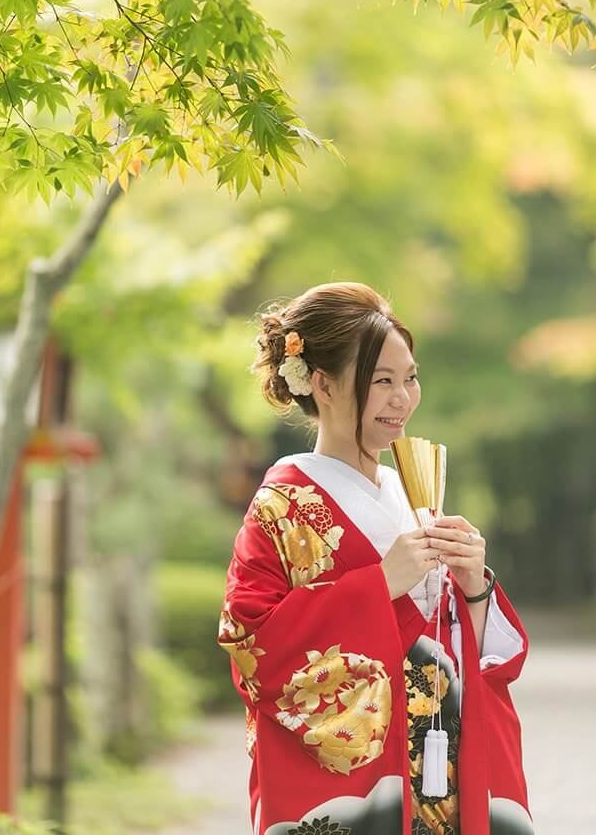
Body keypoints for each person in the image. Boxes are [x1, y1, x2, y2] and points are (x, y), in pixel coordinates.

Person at [217, 282, 534, 835]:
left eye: (409, 378)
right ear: (323, 384)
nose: (403, 399)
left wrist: (473, 588)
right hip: (362, 784)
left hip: (444, 769)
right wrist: (378, 584)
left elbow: (460, 647)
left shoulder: (412, 493)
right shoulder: (282, 507)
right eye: (382, 381)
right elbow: (252, 647)